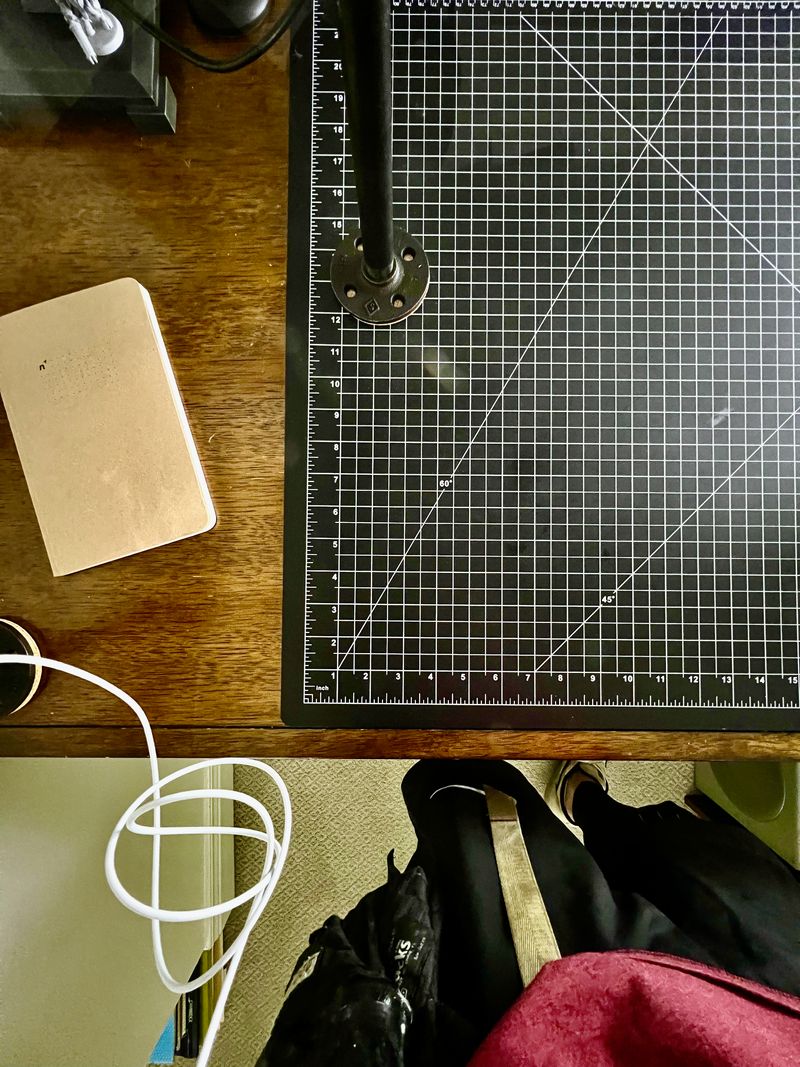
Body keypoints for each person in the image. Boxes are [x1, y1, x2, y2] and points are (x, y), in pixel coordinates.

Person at [257, 759, 800, 1066]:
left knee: (475, 801)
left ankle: (583, 801)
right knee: (682, 854)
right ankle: (591, 803)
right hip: (779, 1018)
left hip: (572, 1017)